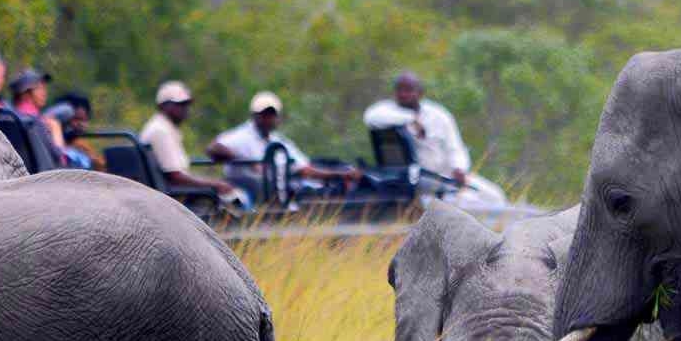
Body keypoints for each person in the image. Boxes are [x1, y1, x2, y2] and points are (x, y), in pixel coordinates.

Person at [362, 71, 506, 206]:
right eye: (400, 90)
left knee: (495, 195)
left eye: (408, 90)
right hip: (420, 179)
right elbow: (371, 117)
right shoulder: (387, 111)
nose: (403, 94)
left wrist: (459, 168)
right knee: (468, 201)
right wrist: (411, 119)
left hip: (448, 175)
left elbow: (455, 147)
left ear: (420, 92)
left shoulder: (438, 114)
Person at [207, 91, 360, 193]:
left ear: (277, 117)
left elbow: (305, 169)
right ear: (254, 115)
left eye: (271, 115)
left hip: (282, 193)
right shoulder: (241, 136)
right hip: (252, 193)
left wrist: (339, 174)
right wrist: (247, 161)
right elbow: (213, 148)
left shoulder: (279, 142)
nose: (267, 119)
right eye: (263, 114)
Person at [141, 80, 246, 208]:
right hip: (172, 197)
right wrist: (215, 184)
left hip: (171, 192)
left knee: (235, 194)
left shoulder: (164, 127)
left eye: (186, 104)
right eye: (180, 104)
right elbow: (175, 177)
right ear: (163, 106)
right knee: (236, 198)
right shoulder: (161, 130)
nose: (185, 109)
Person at [9, 67, 69, 163]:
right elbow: (61, 160)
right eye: (40, 88)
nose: (44, 93)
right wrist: (56, 129)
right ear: (26, 94)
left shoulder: (8, 118)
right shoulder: (34, 123)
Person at [44, 93, 96, 169]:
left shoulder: (82, 146)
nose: (81, 124)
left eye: (85, 120)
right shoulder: (52, 144)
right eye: (76, 119)